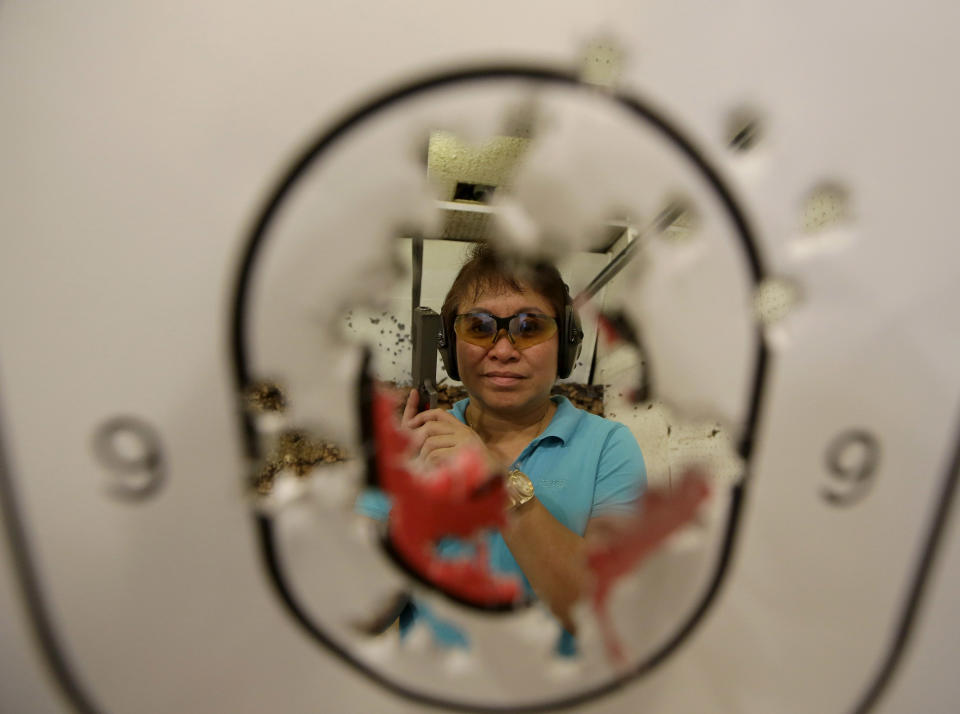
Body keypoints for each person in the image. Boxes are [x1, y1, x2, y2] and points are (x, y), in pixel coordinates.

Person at [400, 244, 646, 636]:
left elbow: (604, 607)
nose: (502, 351)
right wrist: (400, 497)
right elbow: (361, 607)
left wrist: (496, 483)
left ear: (567, 344)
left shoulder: (608, 447)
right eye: (478, 328)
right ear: (448, 345)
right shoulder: (420, 443)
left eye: (529, 328)